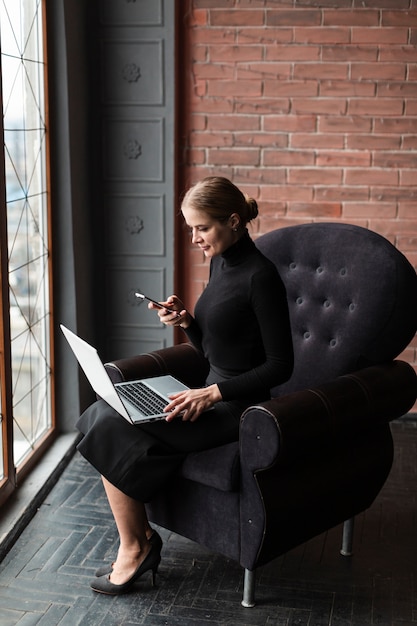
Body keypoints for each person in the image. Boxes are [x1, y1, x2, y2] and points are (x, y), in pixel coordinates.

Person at [76, 176, 294, 595]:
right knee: (102, 411)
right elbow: (217, 352)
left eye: (202, 228)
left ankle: (136, 547)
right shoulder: (220, 261)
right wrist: (188, 324)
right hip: (208, 396)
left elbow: (281, 366)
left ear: (233, 221)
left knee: (107, 422)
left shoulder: (260, 277)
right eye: (190, 228)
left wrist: (213, 393)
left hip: (238, 411)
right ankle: (138, 542)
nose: (194, 238)